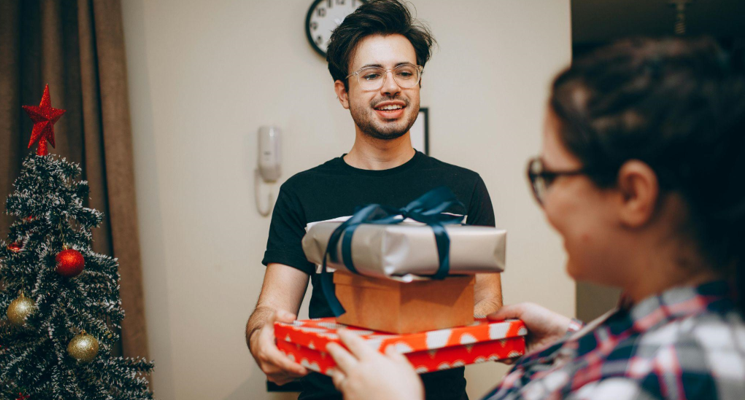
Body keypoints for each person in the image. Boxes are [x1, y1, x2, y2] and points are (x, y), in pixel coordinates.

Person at [325, 37, 745, 400]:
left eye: (550, 176)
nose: (546, 205)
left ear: (634, 194)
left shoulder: (654, 379)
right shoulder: (665, 330)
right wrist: (574, 340)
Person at [245, 1, 503, 399]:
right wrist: (262, 337)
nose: (391, 86)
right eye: (371, 75)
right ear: (343, 93)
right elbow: (271, 310)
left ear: (418, 83)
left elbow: (487, 301)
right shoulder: (302, 192)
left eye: (405, 72)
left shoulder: (463, 187)